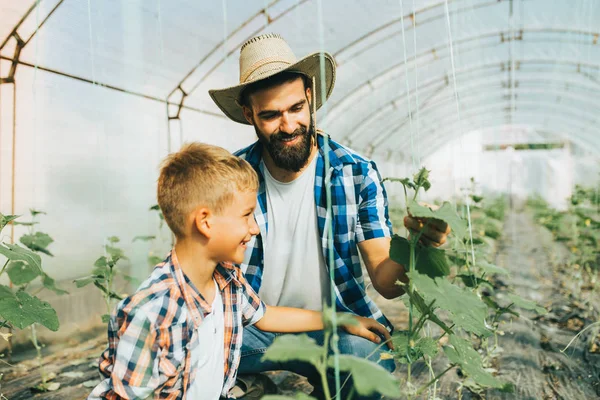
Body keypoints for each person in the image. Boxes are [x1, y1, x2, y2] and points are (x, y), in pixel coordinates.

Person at [208, 33, 450, 399]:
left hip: (337, 327)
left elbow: (385, 280)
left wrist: (416, 246)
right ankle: (246, 381)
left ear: (310, 98)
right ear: (249, 115)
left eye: (295, 109)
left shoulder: (355, 173)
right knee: (182, 345)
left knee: (365, 362)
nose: (288, 126)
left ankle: (279, 383)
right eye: (271, 115)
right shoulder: (232, 177)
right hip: (252, 328)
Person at [87, 143, 391, 400]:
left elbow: (267, 316)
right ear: (205, 222)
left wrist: (339, 318)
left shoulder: (226, 281)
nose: (254, 228)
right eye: (246, 215)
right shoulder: (154, 314)